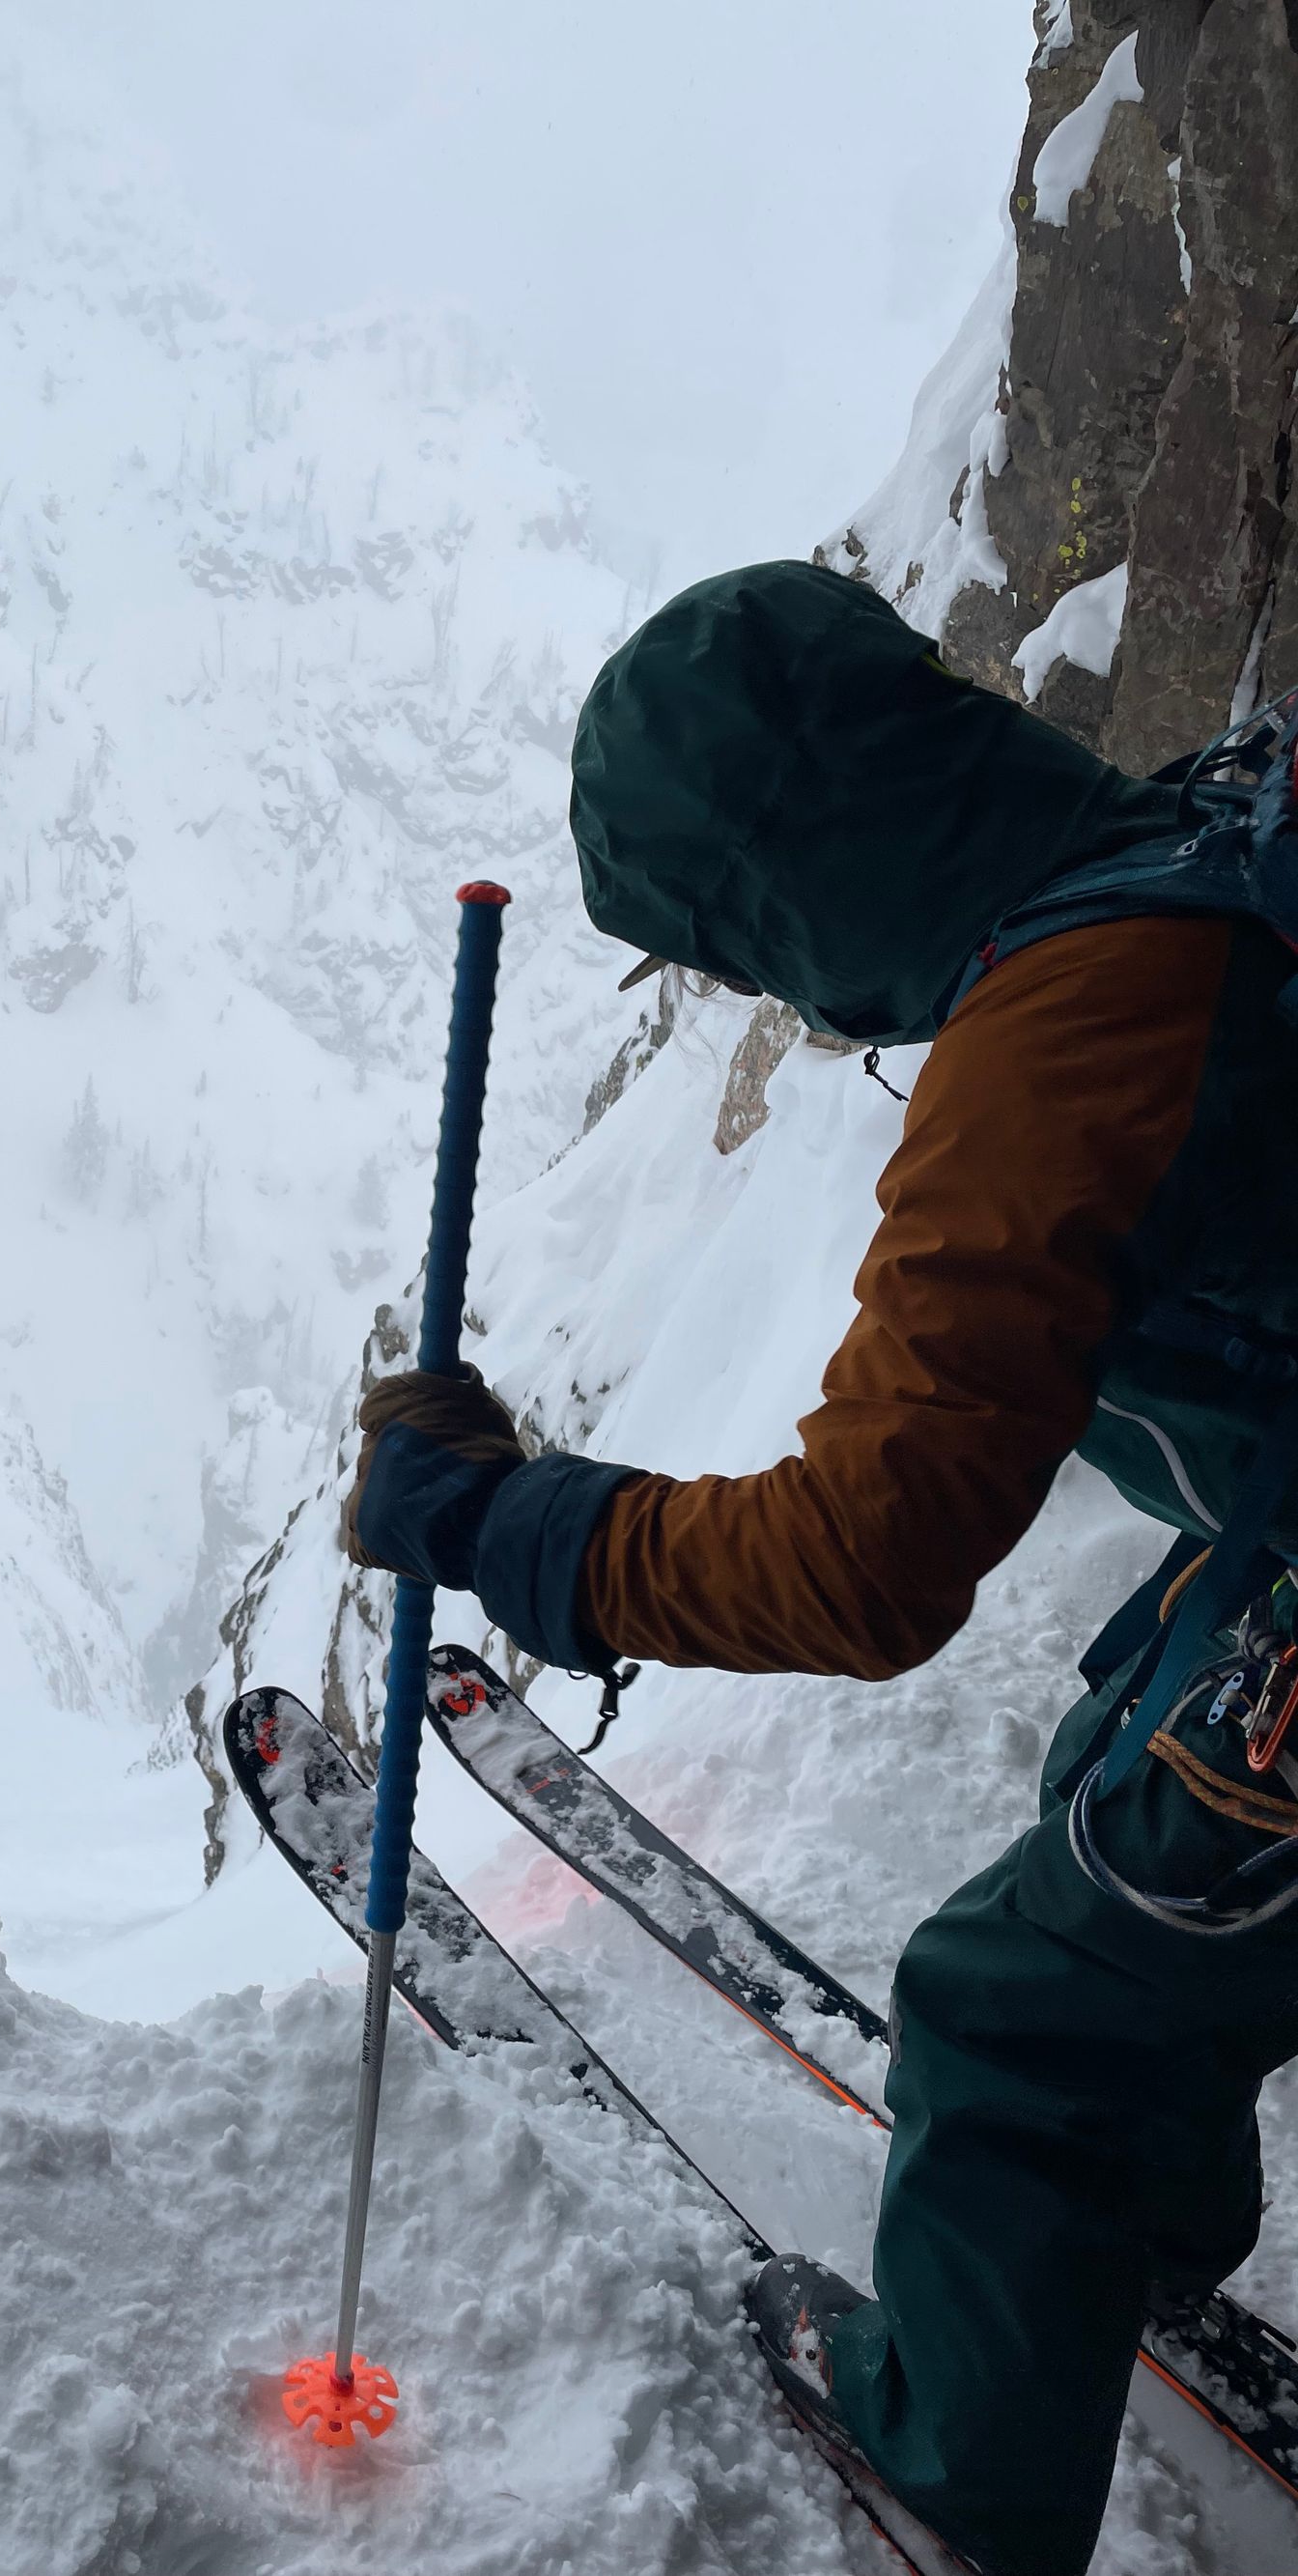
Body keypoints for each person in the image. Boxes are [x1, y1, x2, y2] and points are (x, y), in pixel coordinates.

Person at [340, 558, 1298, 2576]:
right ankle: (1113, 2226)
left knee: (1021, 2011)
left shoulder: (1050, 1045)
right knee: (1123, 1767)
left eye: (735, 945)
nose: (773, 996)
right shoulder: (1198, 842)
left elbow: (869, 1560)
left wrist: (509, 1522)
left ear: (790, 887)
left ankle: (953, 2468)